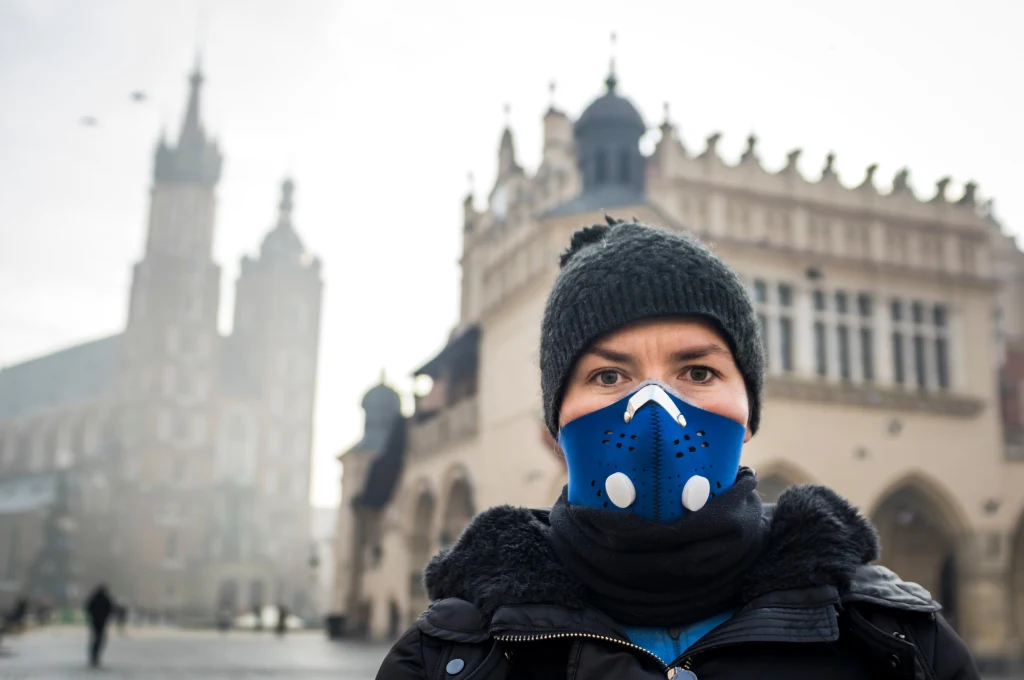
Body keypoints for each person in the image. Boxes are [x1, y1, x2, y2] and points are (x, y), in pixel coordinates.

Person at [376, 218, 979, 679]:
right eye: (608, 376)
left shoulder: (896, 644)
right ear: (554, 423)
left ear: (749, 413)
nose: (654, 407)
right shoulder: (447, 659)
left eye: (697, 371)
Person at [84, 584, 114, 667]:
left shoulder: (94, 598)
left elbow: (88, 608)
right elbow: (110, 609)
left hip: (95, 621)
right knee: (100, 639)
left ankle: (93, 655)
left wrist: (93, 616)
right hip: (102, 622)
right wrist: (106, 617)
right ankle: (95, 656)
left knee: (96, 638)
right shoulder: (106, 599)